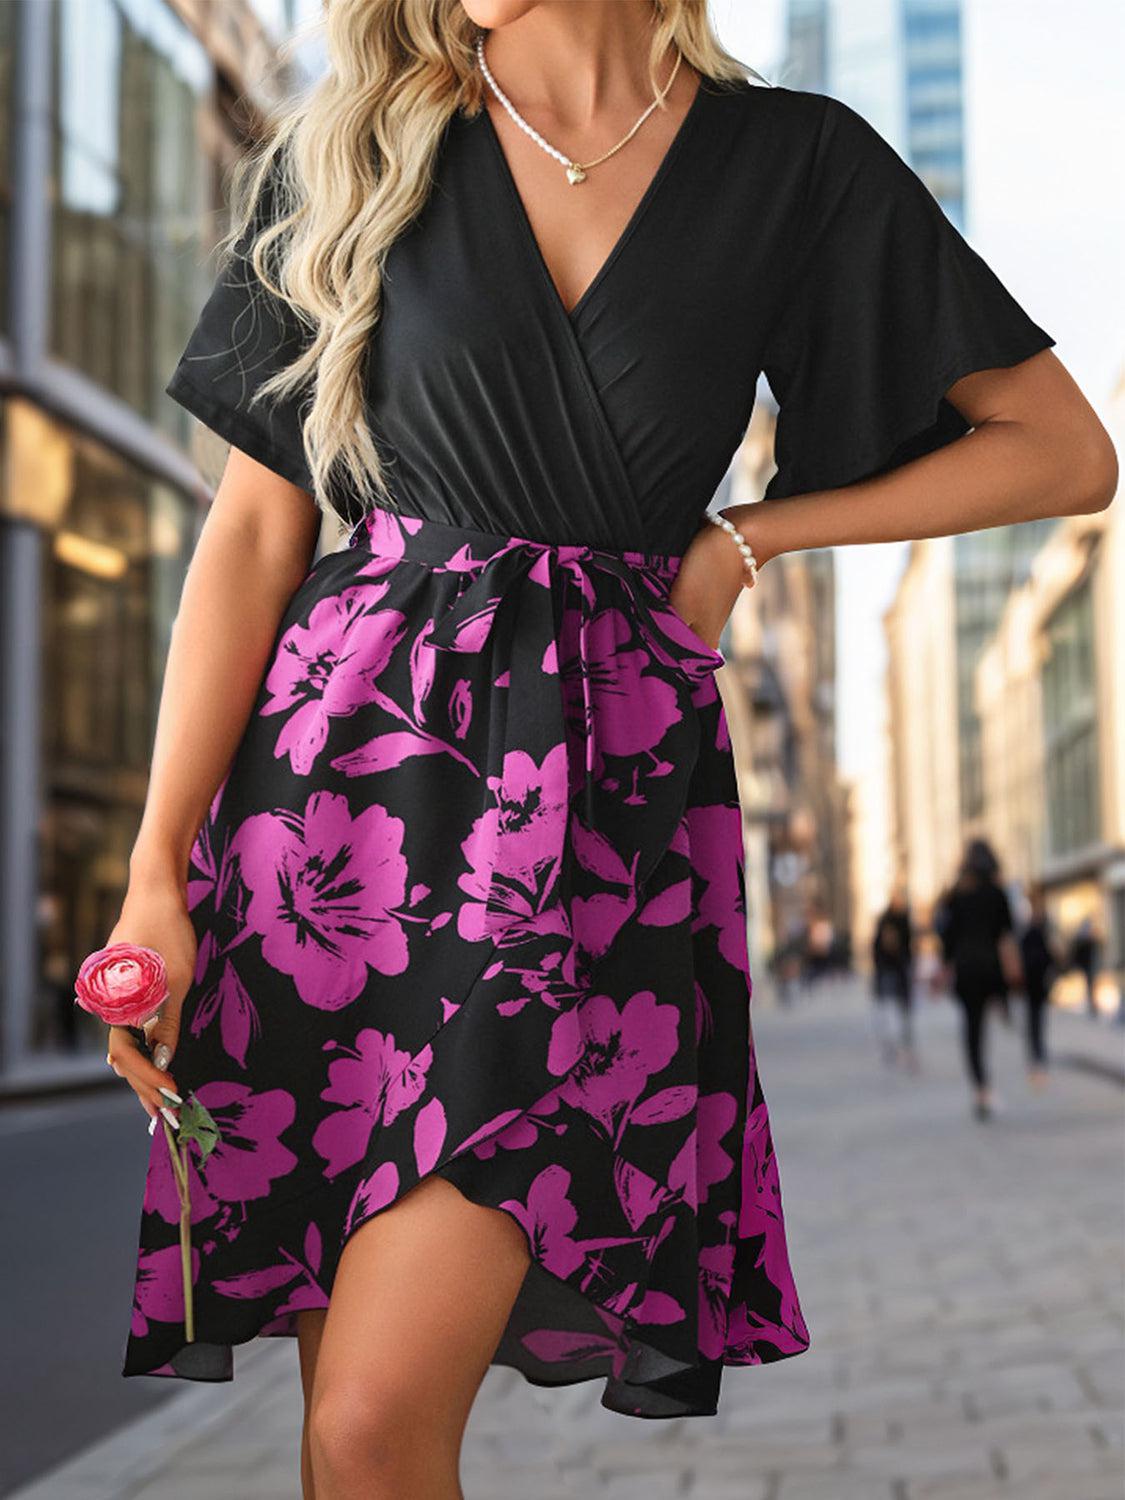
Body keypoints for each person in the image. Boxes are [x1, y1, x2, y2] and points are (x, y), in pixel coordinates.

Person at [98, 2, 1114, 1492]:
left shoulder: (794, 163)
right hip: (328, 819)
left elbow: (1061, 447)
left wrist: (751, 538)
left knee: (373, 1419)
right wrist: (152, 878)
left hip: (593, 816)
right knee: (353, 1429)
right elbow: (255, 531)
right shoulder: (358, 146)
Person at [938, 839, 1023, 1120]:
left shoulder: (957, 896)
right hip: (991, 969)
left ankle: (981, 1088)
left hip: (966, 970)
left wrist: (945, 968)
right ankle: (1003, 1008)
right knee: (981, 1024)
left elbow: (947, 939)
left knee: (972, 1030)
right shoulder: (998, 893)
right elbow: (1007, 935)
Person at [1017, 883, 1060, 1088]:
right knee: (1033, 1019)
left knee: (1037, 1018)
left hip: (1039, 977)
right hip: (1031, 979)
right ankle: (1036, 1055)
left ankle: (1038, 1055)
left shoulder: (1042, 924)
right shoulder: (1029, 923)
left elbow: (1052, 952)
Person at [871, 884, 917, 1069]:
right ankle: (893, 1045)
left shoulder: (904, 919)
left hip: (901, 968)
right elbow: (879, 947)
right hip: (888, 969)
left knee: (903, 1008)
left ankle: (904, 1043)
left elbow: (908, 945)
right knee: (889, 1008)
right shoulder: (886, 919)